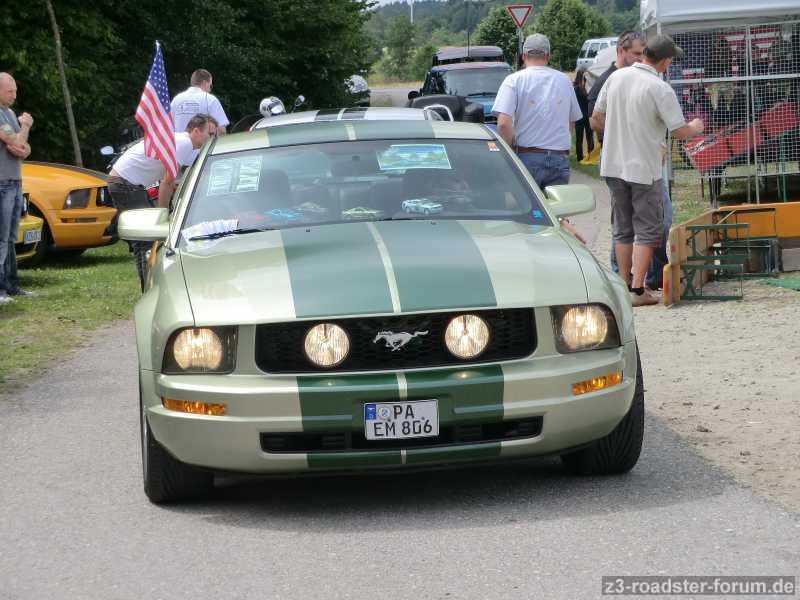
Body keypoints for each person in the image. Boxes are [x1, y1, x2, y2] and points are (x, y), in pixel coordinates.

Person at [590, 35, 704, 306]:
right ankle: (638, 290)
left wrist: (621, 132)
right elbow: (678, 130)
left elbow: (596, 118)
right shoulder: (659, 87)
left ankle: (624, 285)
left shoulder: (616, 77)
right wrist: (696, 127)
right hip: (643, 167)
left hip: (613, 164)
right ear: (665, 61)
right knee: (647, 229)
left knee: (622, 228)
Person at [108, 114, 216, 290]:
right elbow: (167, 183)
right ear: (196, 131)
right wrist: (163, 214)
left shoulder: (186, 145)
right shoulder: (183, 143)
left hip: (128, 183)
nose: (212, 138)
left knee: (149, 238)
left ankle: (153, 284)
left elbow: (197, 169)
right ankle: (149, 289)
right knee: (146, 238)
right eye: (210, 134)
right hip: (124, 183)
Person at [492, 34, 583, 189]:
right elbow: (571, 121)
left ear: (524, 56)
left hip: (527, 156)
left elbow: (503, 124)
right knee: (557, 210)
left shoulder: (514, 80)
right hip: (559, 157)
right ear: (548, 55)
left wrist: (510, 152)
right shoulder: (564, 80)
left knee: (529, 210)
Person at [0, 72, 33, 303]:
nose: (14, 95)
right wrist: (26, 127)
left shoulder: (10, 113)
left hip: (15, 179)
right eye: (10, 91)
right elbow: (18, 141)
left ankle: (12, 284)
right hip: (1, 182)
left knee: (11, 237)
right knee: (1, 238)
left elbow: (25, 148)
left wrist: (20, 141)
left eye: (15, 91)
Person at [586, 31, 646, 144]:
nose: (642, 58)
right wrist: (621, 137)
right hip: (614, 152)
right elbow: (594, 121)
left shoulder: (636, 77)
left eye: (643, 54)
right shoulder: (605, 80)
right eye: (637, 54)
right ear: (620, 50)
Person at [171, 69, 229, 136]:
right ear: (204, 83)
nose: (210, 90)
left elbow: (168, 124)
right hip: (203, 146)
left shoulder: (176, 99)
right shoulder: (210, 99)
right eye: (210, 86)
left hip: (178, 145)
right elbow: (221, 130)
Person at [573, 69, 594, 162]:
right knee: (589, 136)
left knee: (579, 138)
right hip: (587, 115)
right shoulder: (587, 89)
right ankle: (590, 154)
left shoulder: (575, 88)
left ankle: (579, 157)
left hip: (579, 115)